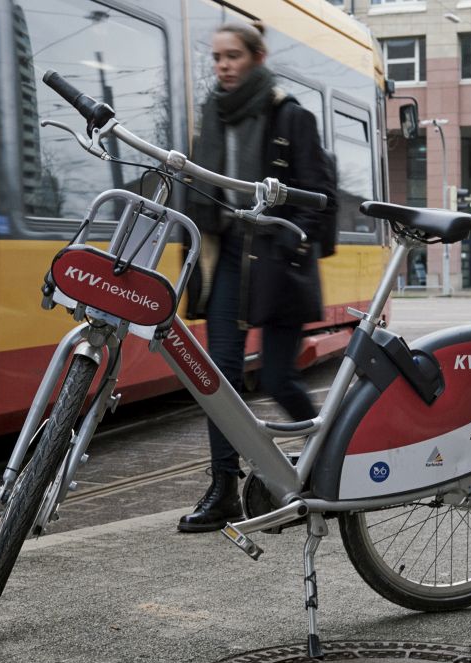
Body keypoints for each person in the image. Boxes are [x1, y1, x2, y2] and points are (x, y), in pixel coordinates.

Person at [177, 22, 333, 532]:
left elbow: (317, 193)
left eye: (233, 55)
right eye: (217, 56)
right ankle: (223, 488)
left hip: (277, 259)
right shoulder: (211, 116)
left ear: (258, 57)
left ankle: (322, 466)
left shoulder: (290, 116)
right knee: (217, 380)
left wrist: (292, 241)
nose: (222, 65)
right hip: (228, 259)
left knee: (276, 376)